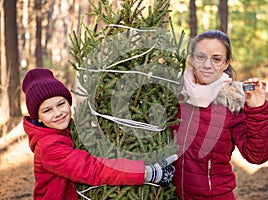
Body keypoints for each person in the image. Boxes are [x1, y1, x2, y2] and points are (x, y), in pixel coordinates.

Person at [22, 68, 178, 200]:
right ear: (39, 118)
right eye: (47, 110)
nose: (57, 113)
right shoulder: (49, 147)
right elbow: (94, 169)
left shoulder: (67, 129)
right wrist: (147, 172)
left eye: (61, 104)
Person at [171, 30, 268, 200]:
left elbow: (257, 156)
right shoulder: (173, 96)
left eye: (216, 59)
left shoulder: (232, 102)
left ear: (226, 64)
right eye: (200, 57)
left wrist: (257, 110)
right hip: (170, 194)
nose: (207, 65)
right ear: (191, 59)